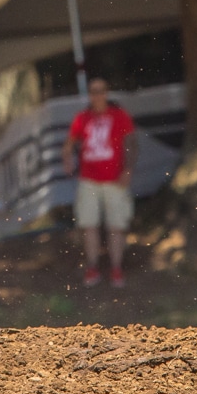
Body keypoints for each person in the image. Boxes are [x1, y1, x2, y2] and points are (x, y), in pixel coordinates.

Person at [63, 79, 138, 288]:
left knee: (117, 225)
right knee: (90, 225)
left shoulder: (119, 115)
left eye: (101, 91)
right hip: (89, 179)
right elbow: (70, 142)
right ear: (89, 95)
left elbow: (131, 142)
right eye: (93, 91)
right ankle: (92, 267)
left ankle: (116, 268)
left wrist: (128, 169)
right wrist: (67, 157)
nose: (97, 95)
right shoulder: (82, 118)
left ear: (107, 93)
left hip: (115, 179)